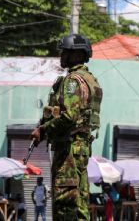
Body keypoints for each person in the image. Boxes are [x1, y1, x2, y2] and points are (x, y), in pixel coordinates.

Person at [31, 34, 103, 220]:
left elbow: (70, 116)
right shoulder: (90, 79)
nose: (61, 56)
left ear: (77, 55)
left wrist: (43, 130)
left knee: (65, 203)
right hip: (81, 149)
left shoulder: (72, 81)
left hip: (68, 149)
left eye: (65, 52)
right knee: (79, 204)